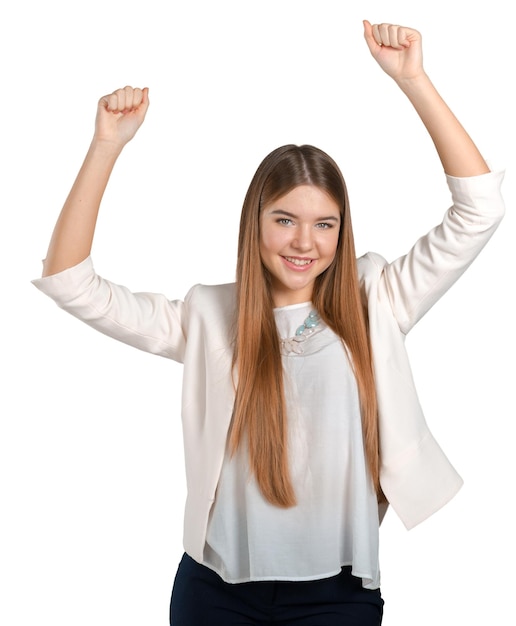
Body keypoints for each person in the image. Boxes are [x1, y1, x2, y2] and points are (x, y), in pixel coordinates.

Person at [32, 19, 505, 626]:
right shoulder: (208, 316)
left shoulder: (376, 297)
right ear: (255, 223)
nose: (304, 242)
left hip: (337, 593)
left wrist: (414, 80)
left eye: (324, 224)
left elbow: (480, 211)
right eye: (285, 220)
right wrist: (106, 145)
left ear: (342, 229)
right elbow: (71, 283)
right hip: (217, 590)